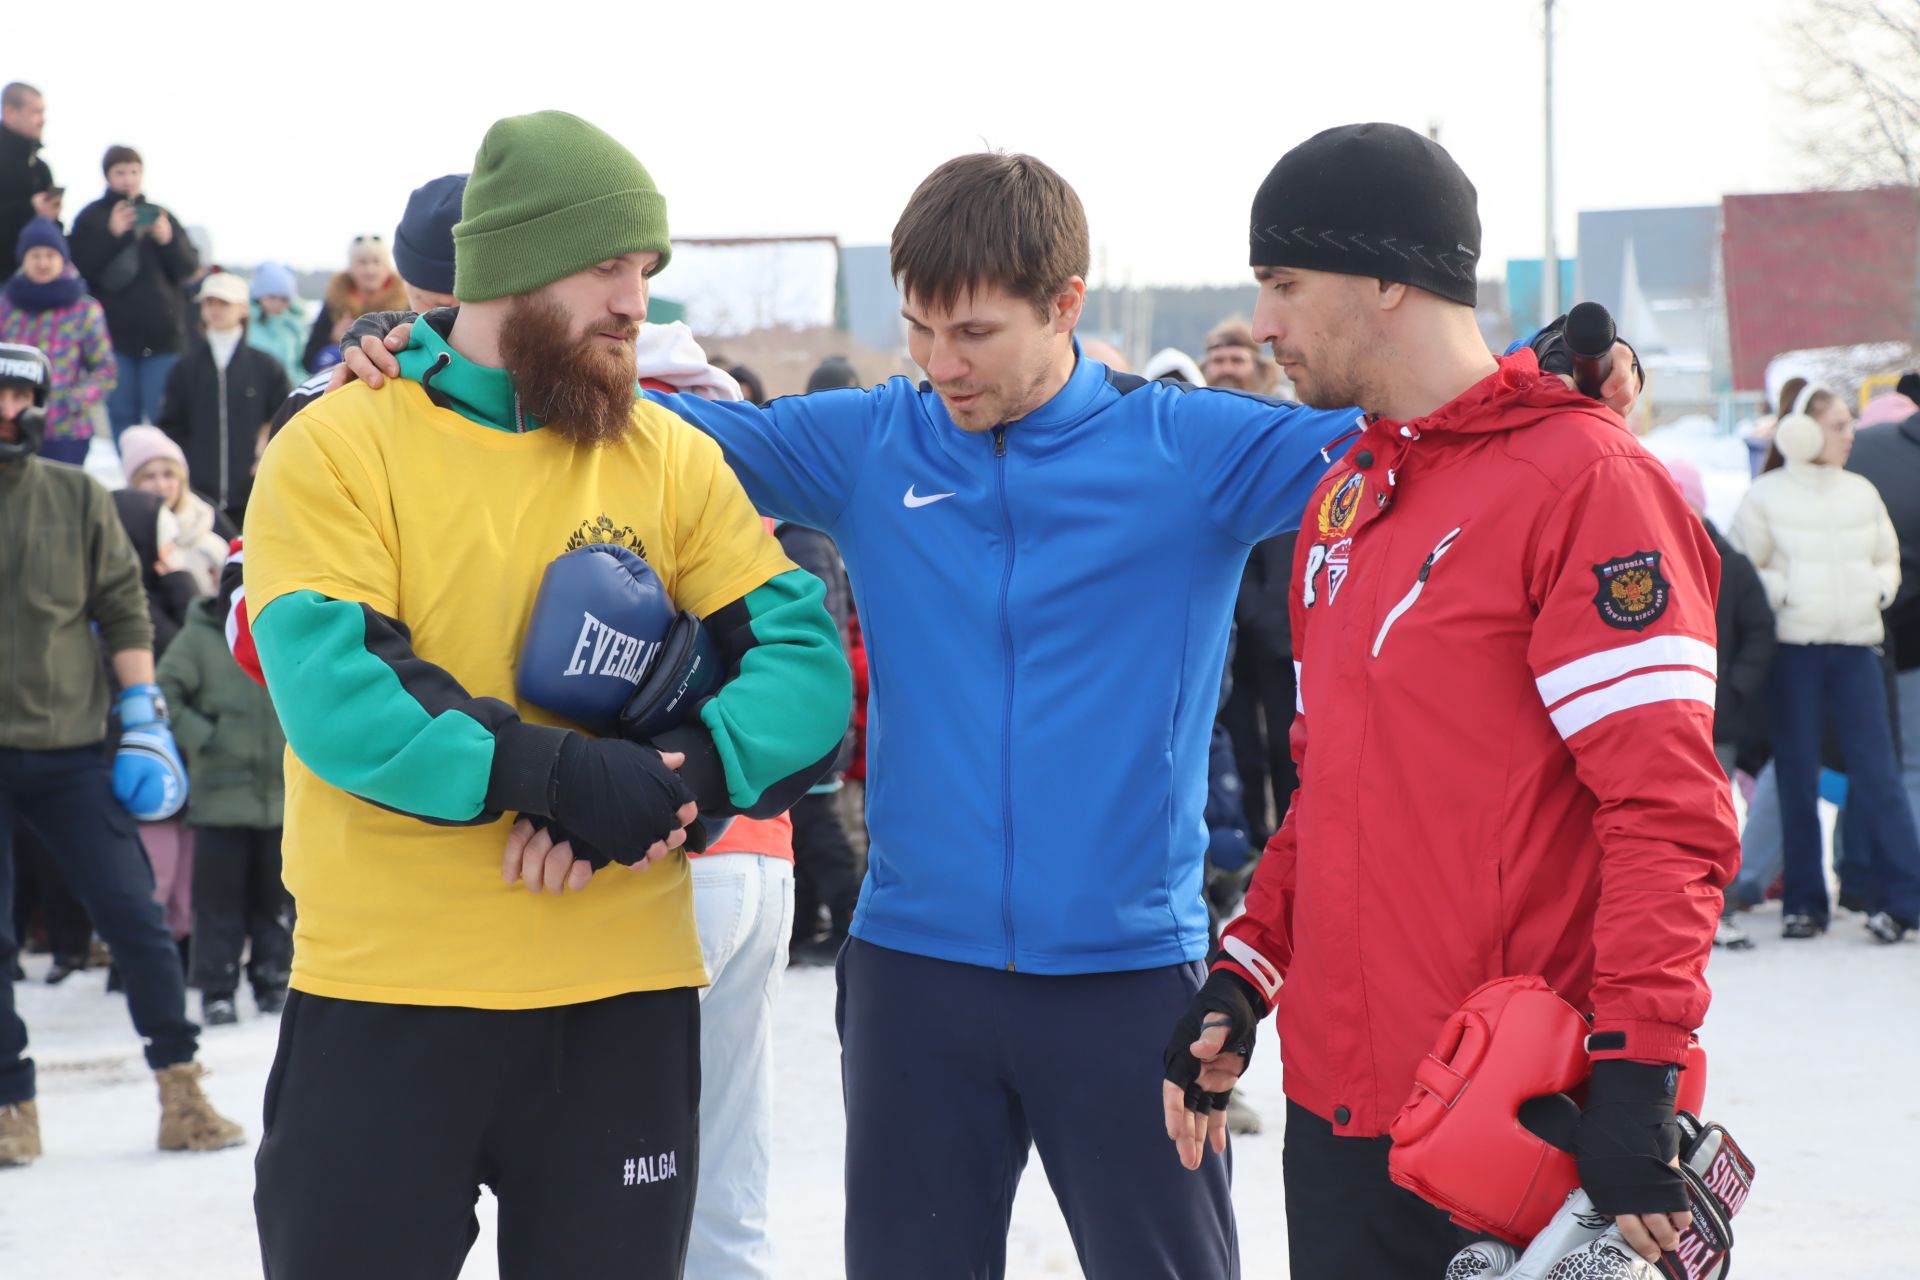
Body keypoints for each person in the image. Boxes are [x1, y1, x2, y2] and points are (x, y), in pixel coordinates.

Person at [339, 142, 1641, 1279]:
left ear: (1065, 304)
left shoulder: (1188, 450)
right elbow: (637, 427)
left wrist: (1561, 371)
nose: (938, 366)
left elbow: (1428, 426)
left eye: (974, 335)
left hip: (1130, 981)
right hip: (917, 980)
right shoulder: (872, 441)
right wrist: (442, 359)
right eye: (917, 329)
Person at [243, 111, 850, 1278]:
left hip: (621, 1002)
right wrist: (565, 776)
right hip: (388, 994)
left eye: (648, 272)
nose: (637, 301)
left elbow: (802, 659)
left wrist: (684, 775)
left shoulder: (667, 451)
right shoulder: (339, 444)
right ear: (513, 270)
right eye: (610, 267)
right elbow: (340, 692)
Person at [1159, 124, 1730, 1278]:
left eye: (1282, 283)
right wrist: (1247, 969)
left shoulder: (1587, 484)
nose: (1261, 323)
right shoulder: (1346, 496)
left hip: (1511, 1112)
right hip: (1339, 1108)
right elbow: (1335, 786)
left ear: (1386, 278)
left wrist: (1635, 1067)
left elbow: (1666, 813)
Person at [0, 341, 244, 1166]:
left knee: (137, 922)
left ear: (38, 405)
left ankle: (181, 1090)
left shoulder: (75, 496)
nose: (6, 411)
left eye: (18, 396)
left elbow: (122, 606)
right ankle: (10, 1106)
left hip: (72, 752)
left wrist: (142, 712)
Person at [1733, 378, 1920, 943]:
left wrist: (1876, 590)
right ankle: (1804, 903)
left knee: (1880, 773)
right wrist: (1787, 592)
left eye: (1849, 424)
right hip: (1795, 654)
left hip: (1858, 649)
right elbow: (1745, 570)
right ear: (1803, 430)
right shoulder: (1766, 496)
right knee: (1794, 774)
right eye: (1839, 425)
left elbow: (1887, 557)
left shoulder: (1859, 490)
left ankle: (1904, 899)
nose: (1850, 436)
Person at [156, 576, 289, 1025]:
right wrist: (204, 738)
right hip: (220, 800)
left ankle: (274, 980)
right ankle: (217, 989)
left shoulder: (283, 622)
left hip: (279, 799)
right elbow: (164, 693)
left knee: (276, 901)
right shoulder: (198, 639)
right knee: (217, 905)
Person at [67, 146, 198, 440]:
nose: (128, 179)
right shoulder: (92, 217)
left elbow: (187, 269)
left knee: (165, 415)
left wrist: (167, 240)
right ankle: (130, 475)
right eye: (120, 172)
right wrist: (111, 236)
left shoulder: (161, 216)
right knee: (121, 417)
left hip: (163, 339)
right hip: (114, 339)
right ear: (107, 176)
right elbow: (79, 268)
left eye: (134, 171)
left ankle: (163, 478)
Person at [156, 271, 291, 523]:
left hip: (255, 495)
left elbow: (289, 417)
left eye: (223, 303)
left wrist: (267, 443)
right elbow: (170, 427)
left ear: (242, 308)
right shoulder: (184, 369)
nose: (215, 309)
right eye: (209, 302)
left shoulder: (266, 366)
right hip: (197, 499)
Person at [0, 217, 115, 465]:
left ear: (62, 259)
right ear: (24, 259)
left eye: (50, 255)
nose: (42, 263)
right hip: (11, 426)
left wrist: (76, 398)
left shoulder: (85, 309)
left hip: (67, 431)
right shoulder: (6, 305)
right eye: (35, 255)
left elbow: (106, 370)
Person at [120, 424, 234, 595]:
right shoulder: (121, 532)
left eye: (169, 474)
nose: (161, 485)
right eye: (149, 476)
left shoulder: (206, 521)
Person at [301, 234, 408, 374]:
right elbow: (308, 360)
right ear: (351, 268)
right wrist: (332, 338)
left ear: (387, 267)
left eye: (376, 262)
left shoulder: (406, 304)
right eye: (362, 262)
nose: (370, 270)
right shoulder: (334, 304)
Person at [0, 83, 58, 274]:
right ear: (9, 112)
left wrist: (50, 218)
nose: (42, 120)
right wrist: (29, 209)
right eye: (35, 112)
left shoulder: (40, 169)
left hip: (33, 281)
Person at [245, 262, 307, 383]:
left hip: (287, 392)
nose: (277, 303)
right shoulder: (247, 323)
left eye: (284, 299)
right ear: (259, 296)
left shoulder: (293, 327)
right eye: (272, 297)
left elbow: (296, 367)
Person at [1200, 318, 1281, 394]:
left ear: (1259, 369)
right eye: (1218, 361)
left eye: (1237, 360)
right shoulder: (1191, 406)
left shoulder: (1282, 405)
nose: (1227, 370)